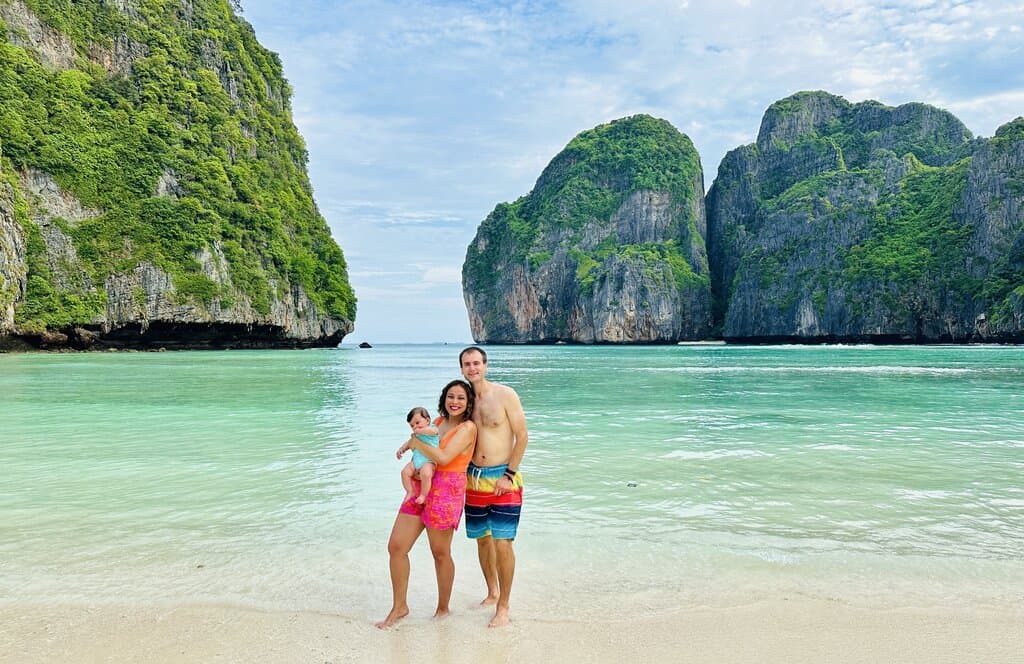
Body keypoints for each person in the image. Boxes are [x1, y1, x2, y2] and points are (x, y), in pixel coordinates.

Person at [376, 380, 477, 630]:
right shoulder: (438, 423)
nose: (455, 402)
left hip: (447, 490)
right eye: (450, 397)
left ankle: (443, 608)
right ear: (443, 399)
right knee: (396, 546)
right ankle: (399, 606)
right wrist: (412, 446)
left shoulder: (468, 428)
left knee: (439, 552)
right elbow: (419, 447)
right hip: (421, 482)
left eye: (461, 398)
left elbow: (443, 457)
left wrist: (415, 441)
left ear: (468, 402)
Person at [458, 346, 528, 628]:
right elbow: (446, 432)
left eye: (476, 363)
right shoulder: (463, 401)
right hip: (472, 479)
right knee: (483, 540)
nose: (472, 368)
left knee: (503, 543)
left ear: (485, 366)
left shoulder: (505, 395)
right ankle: (491, 591)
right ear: (461, 369)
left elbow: (522, 436)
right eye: (467, 364)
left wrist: (509, 474)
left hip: (503, 479)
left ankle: (503, 607)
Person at [400, 407, 439, 505]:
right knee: (404, 472)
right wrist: (402, 449)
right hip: (416, 461)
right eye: (412, 425)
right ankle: (410, 491)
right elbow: (409, 443)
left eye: (417, 423)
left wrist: (421, 431)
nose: (415, 427)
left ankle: (423, 495)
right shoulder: (416, 435)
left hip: (429, 460)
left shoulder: (432, 429)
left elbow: (434, 432)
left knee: (426, 474)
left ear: (427, 420)